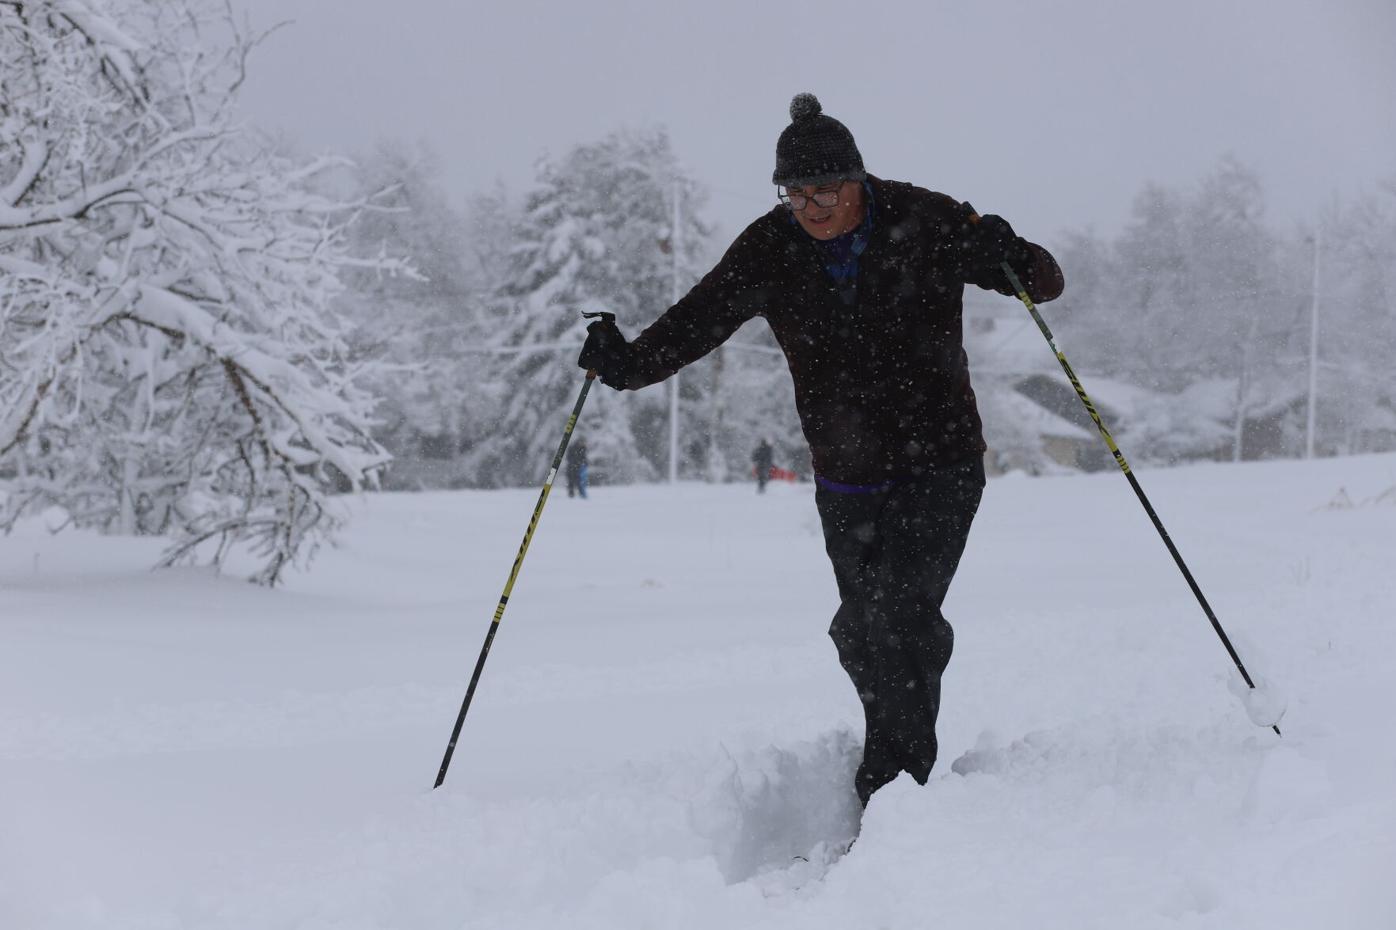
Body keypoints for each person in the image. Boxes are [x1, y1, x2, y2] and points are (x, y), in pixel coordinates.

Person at [578, 93, 1063, 806]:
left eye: (826, 188)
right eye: (796, 191)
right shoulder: (771, 246)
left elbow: (1042, 281)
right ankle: (892, 759)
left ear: (858, 180)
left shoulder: (924, 219)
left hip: (939, 462)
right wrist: (624, 363)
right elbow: (700, 318)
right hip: (848, 474)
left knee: (902, 615)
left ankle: (895, 784)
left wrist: (1006, 249)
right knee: (861, 632)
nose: (811, 205)